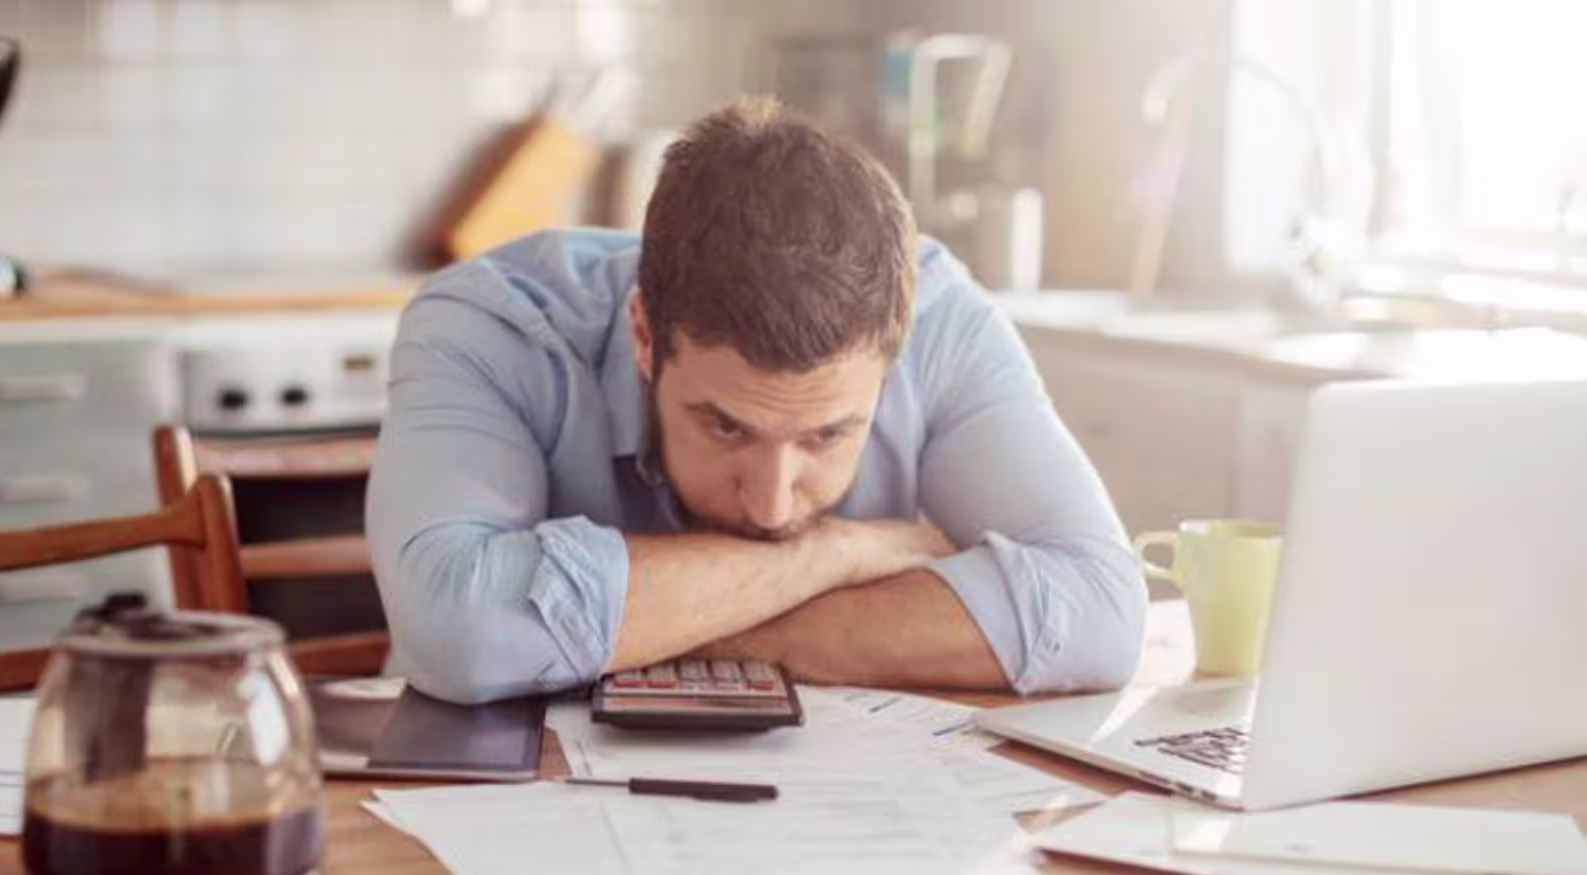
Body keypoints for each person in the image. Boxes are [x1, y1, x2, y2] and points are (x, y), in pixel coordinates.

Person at [366, 97, 1144, 705]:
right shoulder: (492, 322)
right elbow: (458, 633)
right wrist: (838, 554)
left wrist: (643, 629)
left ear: (890, 354)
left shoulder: (939, 320)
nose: (773, 507)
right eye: (725, 426)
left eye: (829, 436)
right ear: (644, 333)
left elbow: (1102, 617)